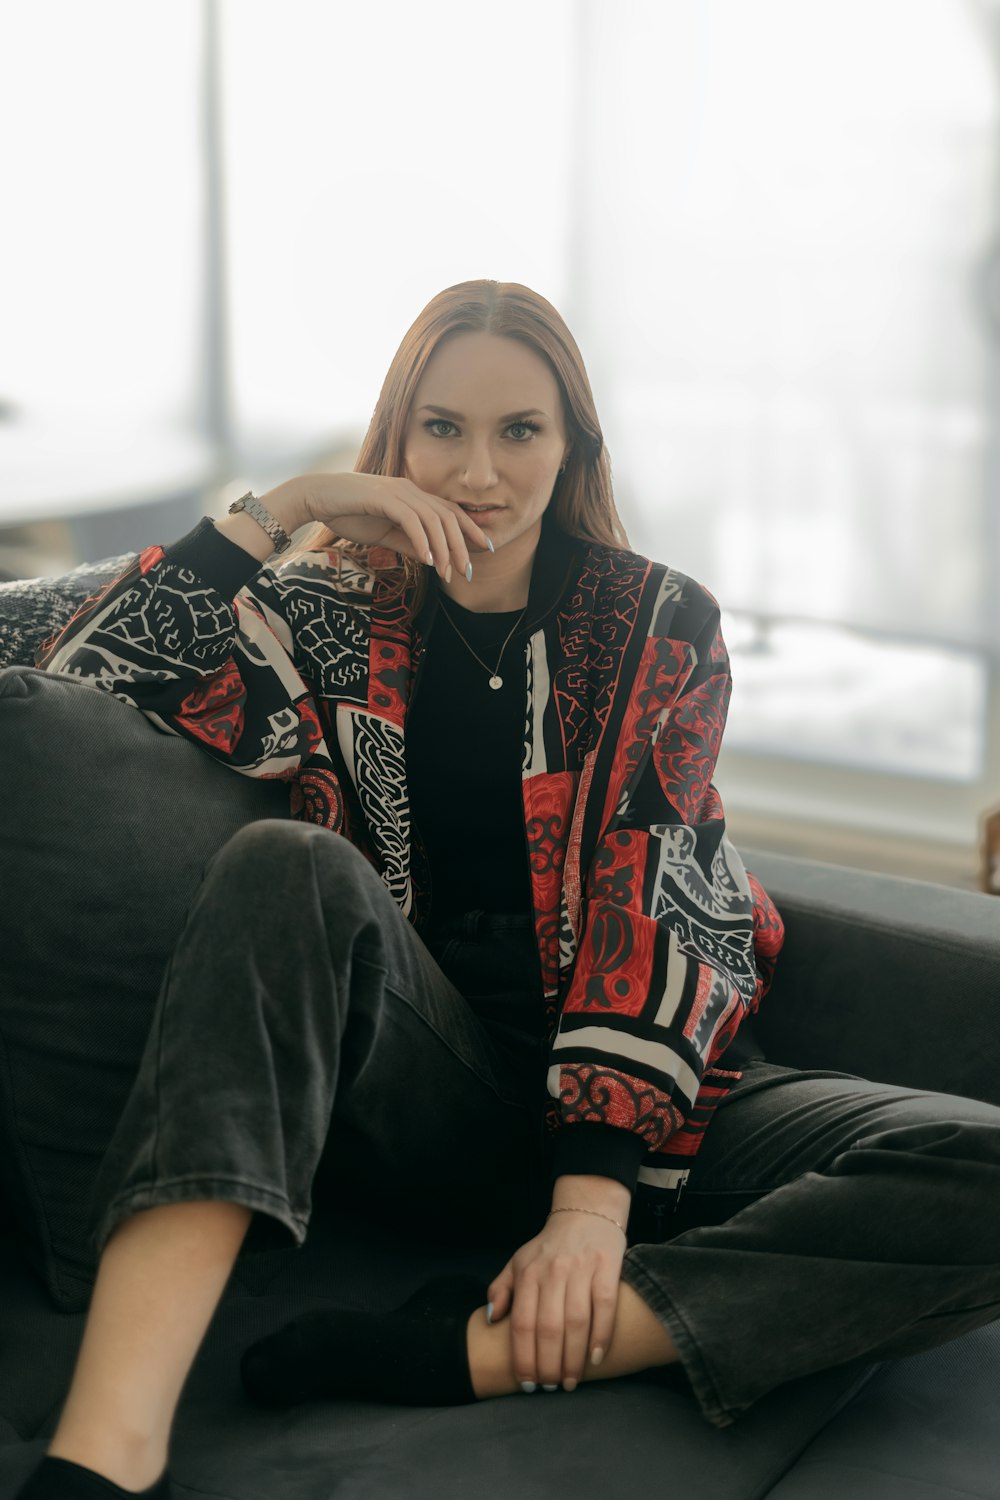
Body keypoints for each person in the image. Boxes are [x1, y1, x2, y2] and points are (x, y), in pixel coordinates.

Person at [17, 280, 1000, 1500]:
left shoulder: (654, 620)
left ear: (572, 443)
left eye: (518, 430)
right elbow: (52, 663)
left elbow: (653, 883)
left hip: (648, 1108)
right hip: (436, 1093)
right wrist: (295, 505)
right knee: (286, 863)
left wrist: (591, 1209)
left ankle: (470, 1353)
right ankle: (105, 1451)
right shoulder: (323, 611)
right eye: (442, 429)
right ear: (398, 438)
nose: (477, 471)